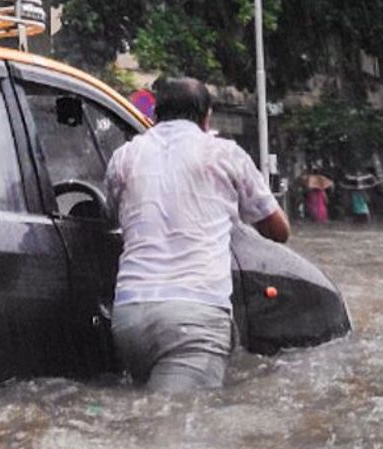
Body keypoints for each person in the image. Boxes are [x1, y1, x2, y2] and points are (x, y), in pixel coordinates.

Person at [105, 77, 290, 392]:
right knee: (176, 428)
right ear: (207, 117)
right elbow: (278, 230)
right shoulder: (223, 154)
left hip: (129, 316)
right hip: (193, 318)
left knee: (148, 420)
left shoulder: (124, 157)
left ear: (155, 115)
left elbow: (113, 215)